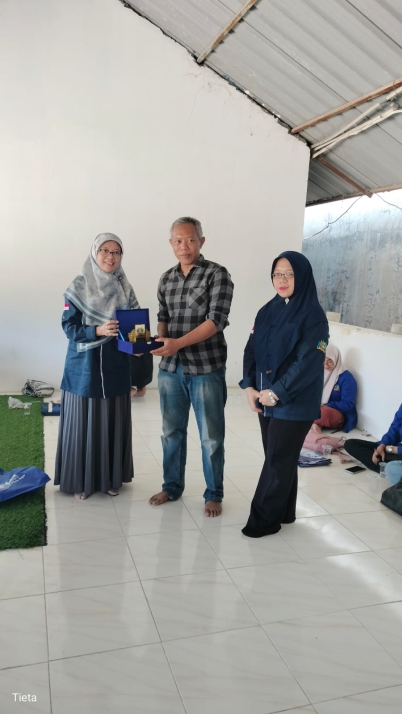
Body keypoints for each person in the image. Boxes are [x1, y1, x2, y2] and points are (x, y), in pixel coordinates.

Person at [149, 217, 234, 517]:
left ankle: (214, 494)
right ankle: (172, 486)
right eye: (178, 241)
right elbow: (163, 315)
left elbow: (216, 320)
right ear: (171, 243)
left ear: (201, 241)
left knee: (211, 437)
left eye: (190, 240)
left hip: (206, 368)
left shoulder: (217, 274)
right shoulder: (166, 278)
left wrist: (177, 343)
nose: (184, 246)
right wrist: (161, 340)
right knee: (171, 432)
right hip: (170, 369)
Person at [240, 251, 329, 538]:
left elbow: (308, 362)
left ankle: (262, 522)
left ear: (302, 277)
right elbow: (251, 349)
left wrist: (277, 393)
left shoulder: (314, 316)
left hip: (295, 402)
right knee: (281, 456)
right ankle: (284, 512)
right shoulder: (268, 310)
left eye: (289, 274)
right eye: (277, 273)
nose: (282, 279)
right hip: (265, 398)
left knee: (277, 459)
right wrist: (249, 386)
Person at [55, 233, 137, 499]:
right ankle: (81, 481)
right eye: (104, 250)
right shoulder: (79, 285)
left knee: (112, 421)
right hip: (85, 367)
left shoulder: (124, 286)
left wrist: (140, 343)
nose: (110, 257)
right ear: (94, 253)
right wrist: (97, 330)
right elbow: (69, 327)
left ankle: (111, 478)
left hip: (115, 365)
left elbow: (134, 327)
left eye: (116, 252)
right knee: (84, 424)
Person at [311, 344, 357, 433]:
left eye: (329, 361)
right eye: (323, 360)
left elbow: (348, 404)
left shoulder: (346, 378)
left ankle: (312, 422)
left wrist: (327, 405)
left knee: (322, 413)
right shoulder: (319, 372)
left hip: (338, 413)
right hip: (319, 407)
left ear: (336, 359)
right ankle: (316, 424)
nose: (326, 364)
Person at [345, 403, 402, 475]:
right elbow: (394, 429)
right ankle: (387, 467)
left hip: (397, 452)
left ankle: (386, 466)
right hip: (390, 448)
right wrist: (382, 445)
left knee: (396, 459)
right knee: (350, 444)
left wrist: (393, 449)